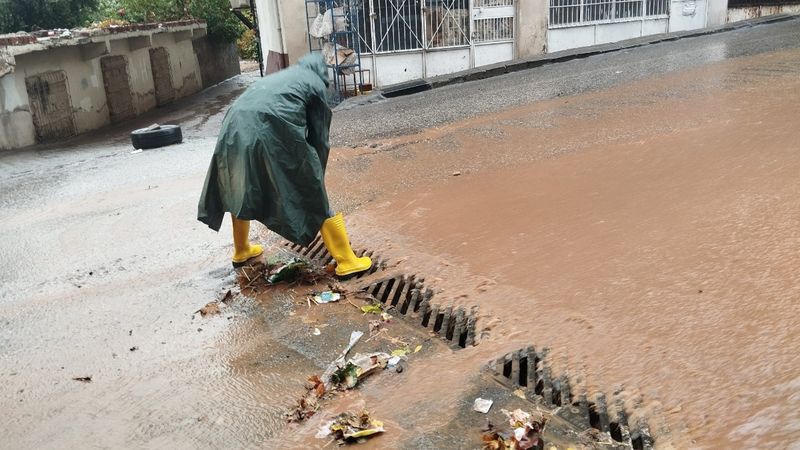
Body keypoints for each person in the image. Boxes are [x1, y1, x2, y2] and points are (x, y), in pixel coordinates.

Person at [197, 54, 371, 276]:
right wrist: (315, 179)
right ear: (323, 72)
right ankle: (347, 261)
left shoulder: (283, 76)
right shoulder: (315, 83)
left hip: (232, 127)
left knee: (239, 185)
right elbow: (320, 139)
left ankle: (241, 251)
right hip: (268, 126)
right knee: (313, 191)